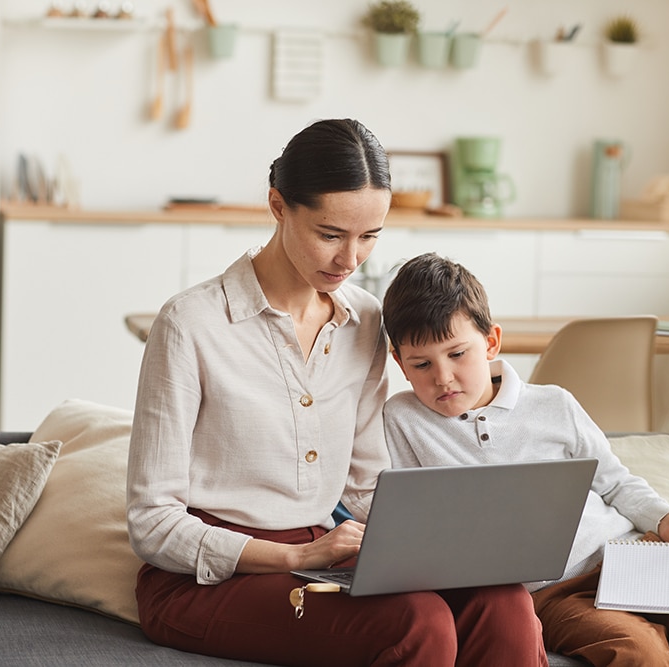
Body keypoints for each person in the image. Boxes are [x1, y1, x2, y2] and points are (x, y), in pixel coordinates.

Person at [126, 120, 548, 667]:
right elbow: (151, 521)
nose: (350, 260)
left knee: (503, 601)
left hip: (326, 552)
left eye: (370, 237)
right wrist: (295, 555)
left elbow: (366, 485)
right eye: (330, 234)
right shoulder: (191, 323)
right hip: (202, 580)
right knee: (417, 623)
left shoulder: (366, 321)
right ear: (279, 206)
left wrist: (444, 547)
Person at [381, 252, 669, 667]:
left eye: (457, 354)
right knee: (639, 653)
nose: (442, 377)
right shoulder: (402, 419)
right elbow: (410, 526)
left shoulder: (554, 404)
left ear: (490, 343)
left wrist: (666, 519)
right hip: (551, 592)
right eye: (422, 364)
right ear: (401, 364)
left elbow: (615, 483)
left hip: (631, 554)